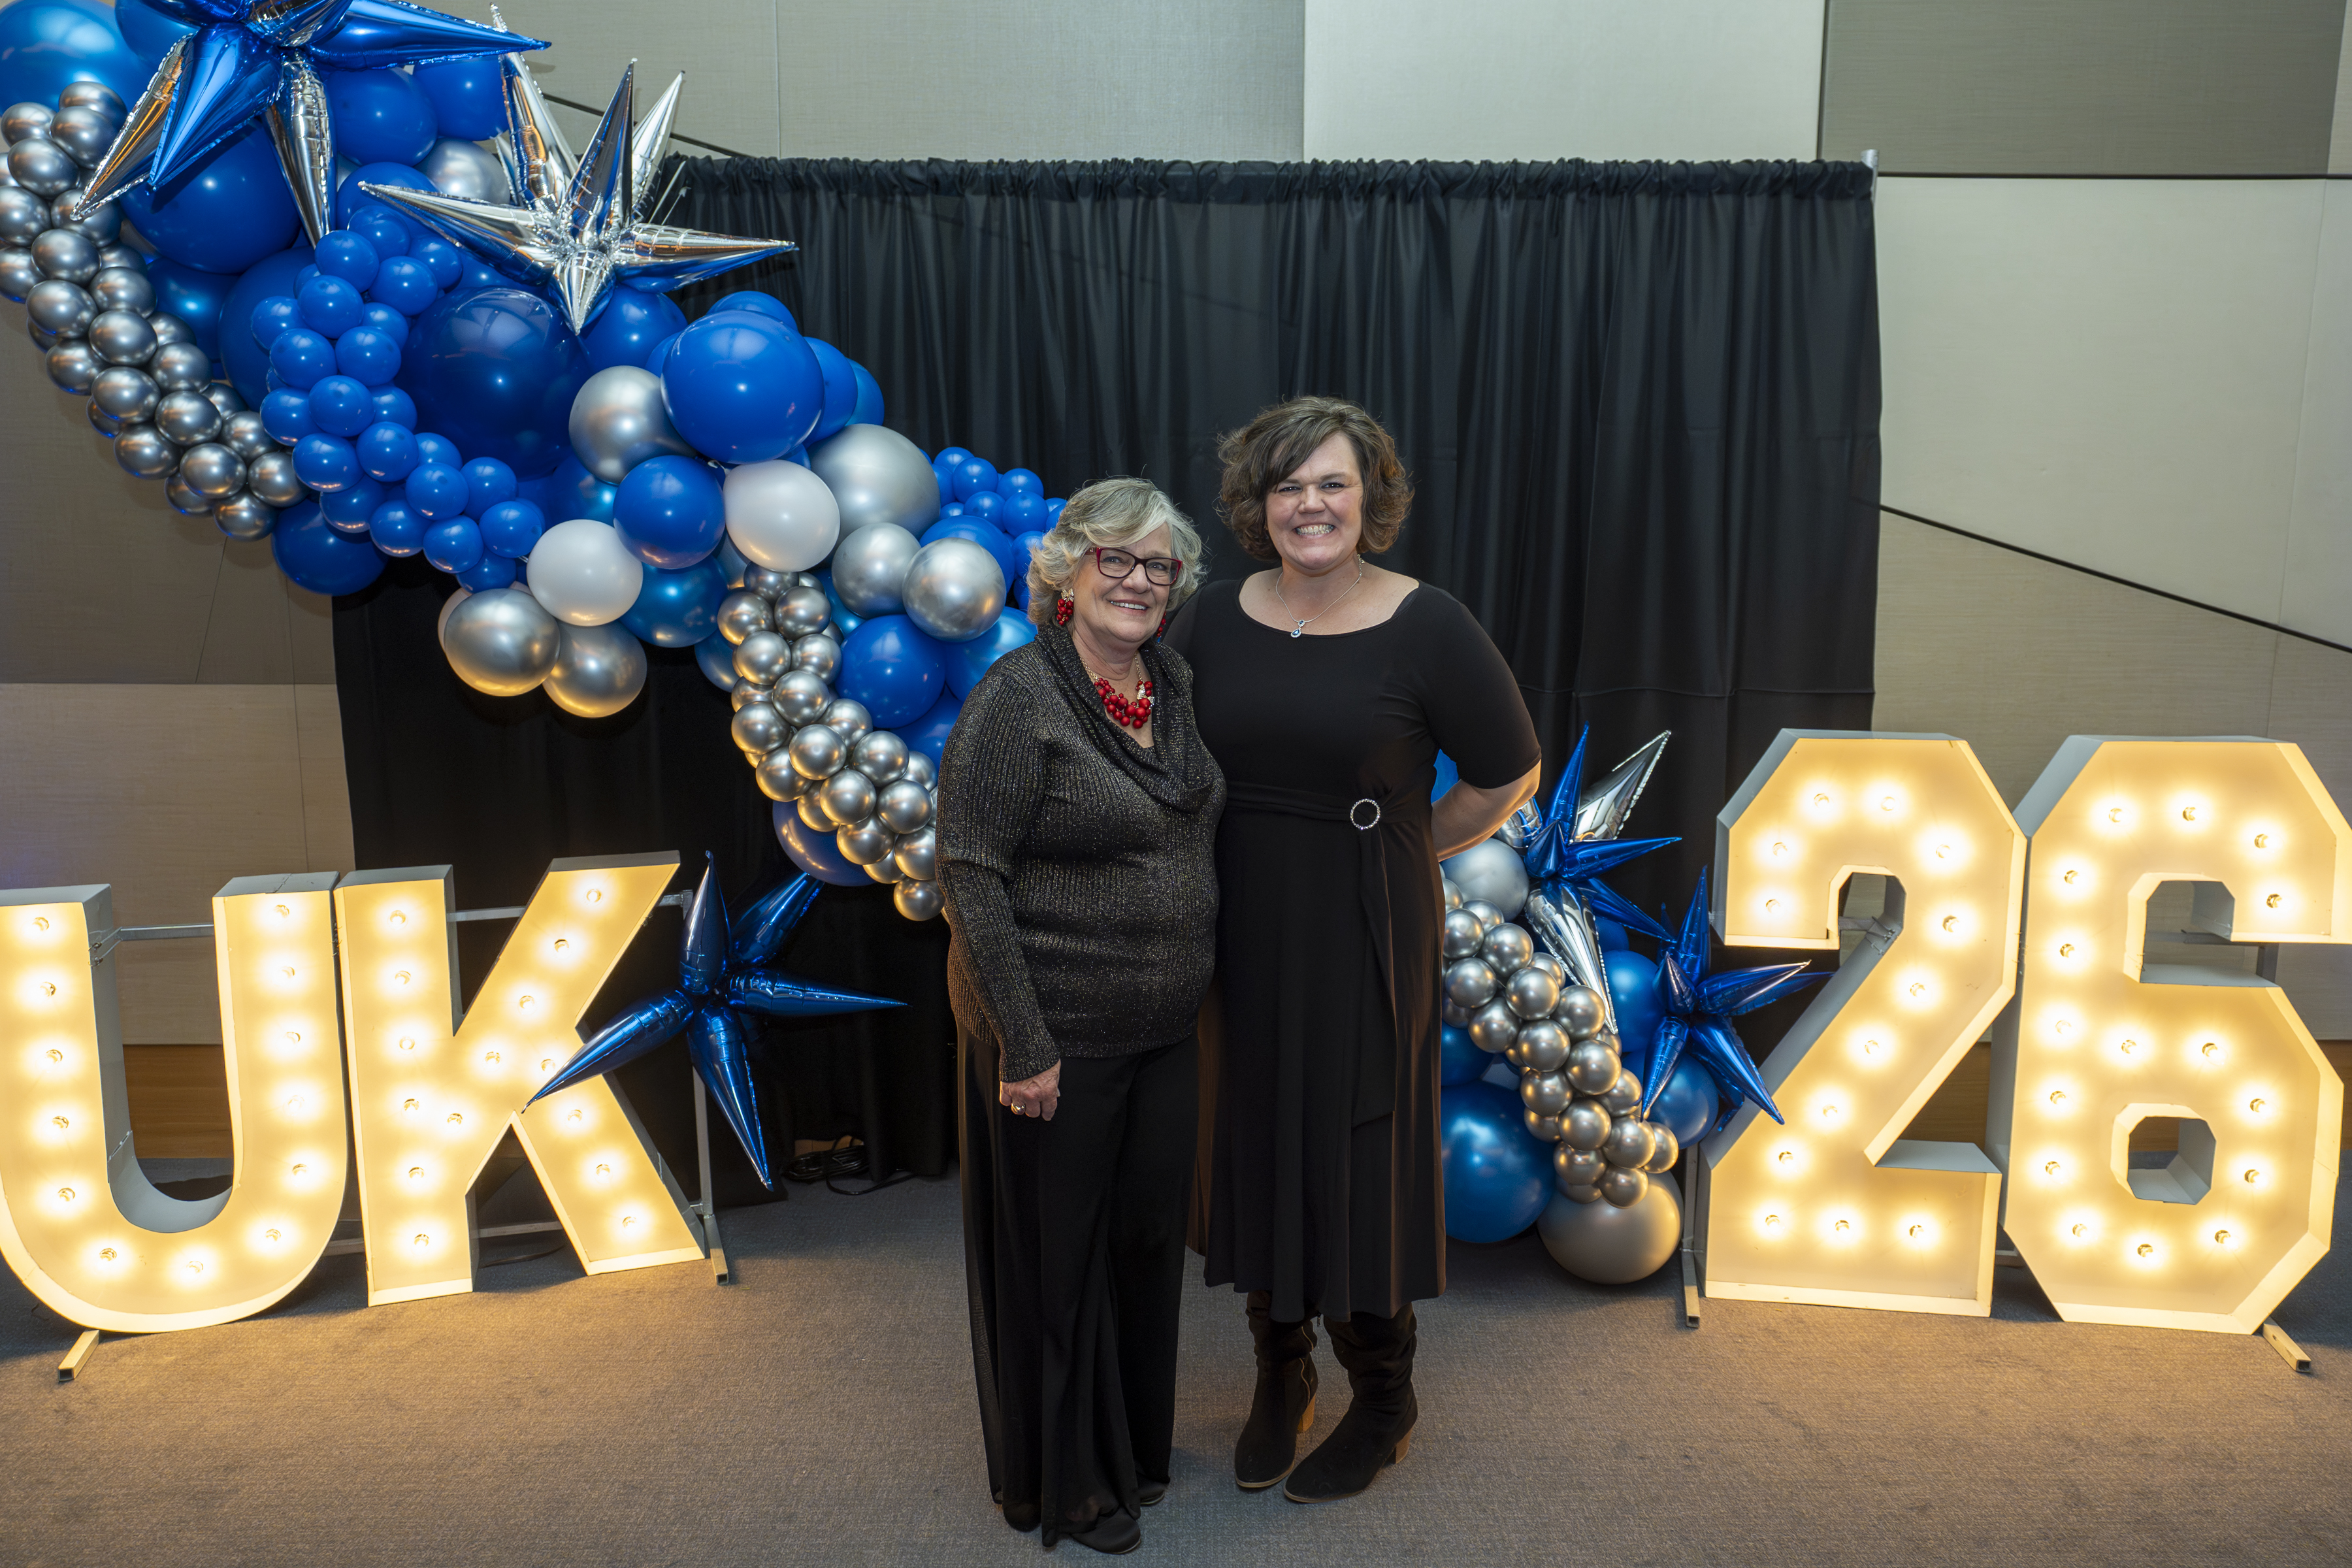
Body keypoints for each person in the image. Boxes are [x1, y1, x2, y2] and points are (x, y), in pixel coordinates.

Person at [1163, 397, 1541, 1505]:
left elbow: (1503, 772)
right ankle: (1280, 1375)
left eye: (1331, 482)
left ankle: (1383, 1397)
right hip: (1237, 915)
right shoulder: (1212, 617)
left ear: (1369, 495)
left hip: (1365, 921)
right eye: (1287, 486)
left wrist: (1412, 842)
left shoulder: (1430, 624)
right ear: (1257, 506)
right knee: (1251, 1133)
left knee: (1357, 1147)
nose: (1309, 505)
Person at [936, 477, 1226, 1554]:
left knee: (1148, 1243)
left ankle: (1136, 1450)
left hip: (1160, 1032)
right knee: (1062, 1259)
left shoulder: (1172, 683)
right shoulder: (1017, 699)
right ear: (1067, 571)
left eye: (1160, 567)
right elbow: (970, 874)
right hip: (1053, 1037)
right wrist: (1026, 1040)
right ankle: (1068, 1482)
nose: (1141, 582)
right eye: (1119, 559)